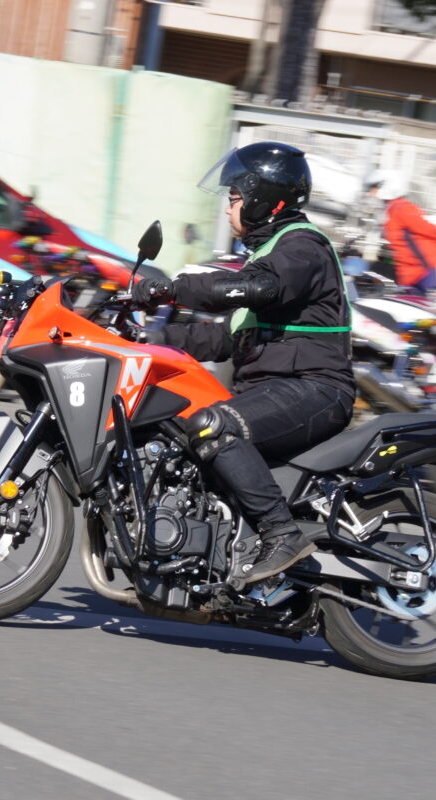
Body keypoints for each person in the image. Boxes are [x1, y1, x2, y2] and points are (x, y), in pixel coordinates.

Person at [131, 142, 357, 585]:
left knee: (214, 427)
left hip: (315, 388)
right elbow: (224, 338)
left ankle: (280, 534)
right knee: (175, 434)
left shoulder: (302, 247)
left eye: (234, 198)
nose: (228, 208)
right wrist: (145, 340)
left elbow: (259, 288)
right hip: (275, 389)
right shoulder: (268, 254)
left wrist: (173, 290)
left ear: (263, 200)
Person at [365, 169, 436, 295]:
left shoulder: (401, 208)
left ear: (386, 187)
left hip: (432, 270)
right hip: (415, 274)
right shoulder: (392, 210)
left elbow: (433, 232)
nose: (370, 194)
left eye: (373, 189)